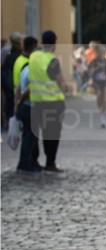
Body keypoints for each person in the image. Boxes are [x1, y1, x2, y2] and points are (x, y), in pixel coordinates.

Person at [29, 30, 68, 174]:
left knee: (35, 133)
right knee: (51, 135)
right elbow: (61, 83)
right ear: (54, 43)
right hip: (53, 103)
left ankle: (34, 161)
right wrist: (66, 89)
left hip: (36, 102)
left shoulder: (33, 56)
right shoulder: (52, 60)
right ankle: (50, 163)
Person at [14, 35, 40, 175]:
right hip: (30, 106)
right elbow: (29, 89)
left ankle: (25, 163)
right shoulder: (32, 68)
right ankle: (25, 164)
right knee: (29, 138)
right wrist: (20, 101)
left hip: (25, 107)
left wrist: (17, 103)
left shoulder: (25, 66)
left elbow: (18, 87)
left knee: (28, 136)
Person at [87, 42, 106, 128]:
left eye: (103, 51)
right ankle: (100, 109)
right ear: (97, 52)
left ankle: (103, 119)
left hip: (104, 82)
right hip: (96, 82)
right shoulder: (93, 61)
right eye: (101, 51)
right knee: (99, 98)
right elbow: (89, 72)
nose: (102, 53)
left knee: (104, 99)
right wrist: (92, 75)